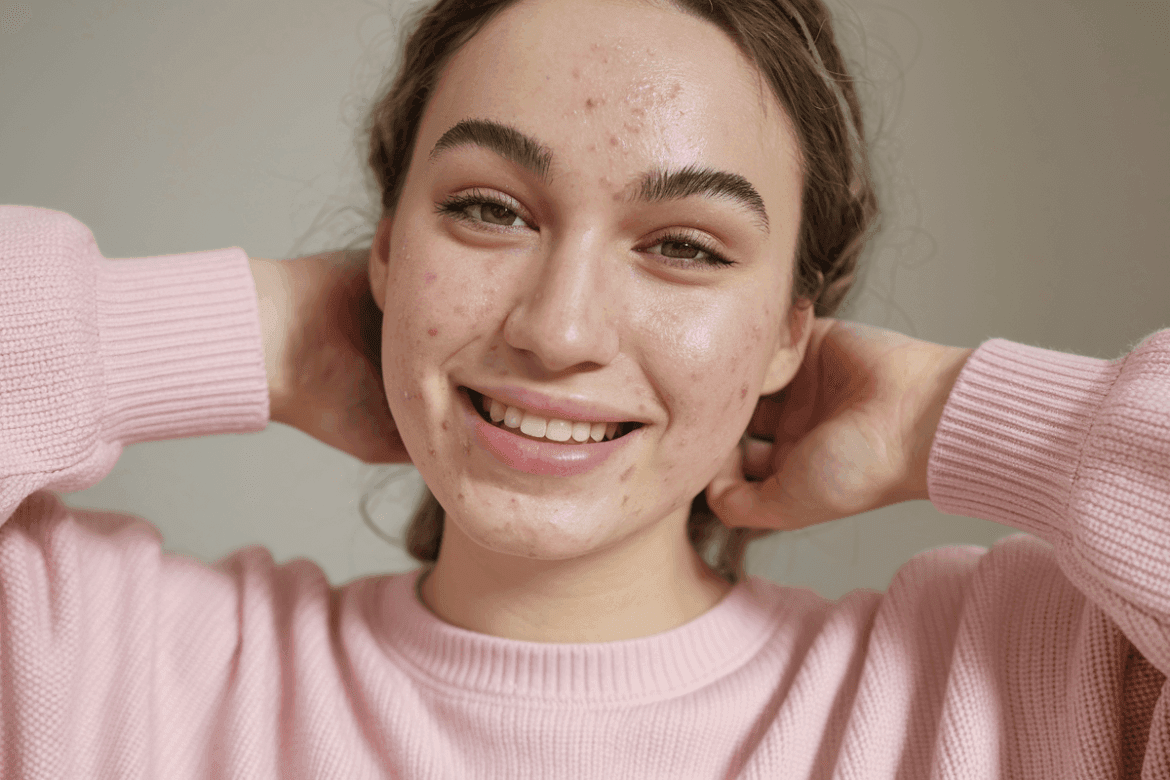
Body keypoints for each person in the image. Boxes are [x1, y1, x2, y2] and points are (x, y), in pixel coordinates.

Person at [0, 0, 1166, 777]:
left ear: (791, 332)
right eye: (488, 211)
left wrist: (957, 418)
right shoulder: (95, 665)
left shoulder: (1023, 689)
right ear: (388, 253)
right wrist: (256, 332)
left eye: (687, 247)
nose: (557, 330)